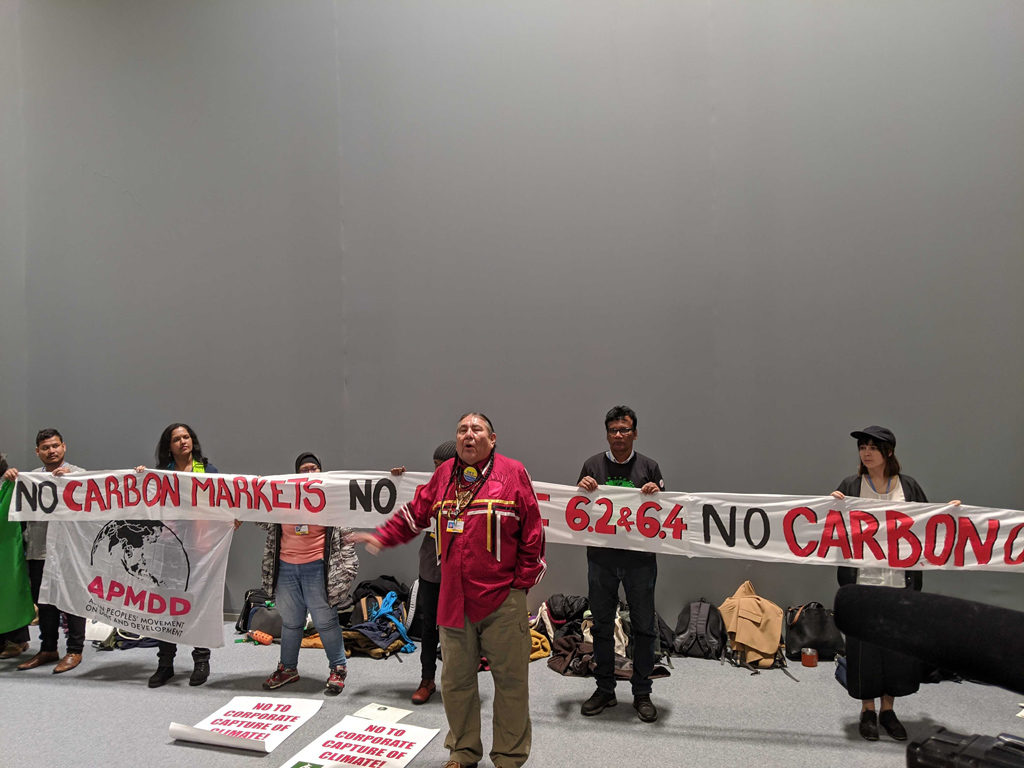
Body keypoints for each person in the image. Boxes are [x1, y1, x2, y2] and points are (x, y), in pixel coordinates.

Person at [353, 413, 546, 768]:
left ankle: (508, 758)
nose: (468, 435)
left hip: (502, 598)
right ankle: (463, 751)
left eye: (476, 430)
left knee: (511, 683)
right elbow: (415, 514)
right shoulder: (443, 476)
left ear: (492, 438)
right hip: (454, 599)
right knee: (455, 682)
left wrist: (521, 584)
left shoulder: (513, 472)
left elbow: (533, 531)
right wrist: (382, 535)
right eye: (462, 430)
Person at [831, 425, 959, 742]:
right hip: (862, 582)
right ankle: (867, 711)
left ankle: (888, 711)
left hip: (900, 582)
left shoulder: (908, 487)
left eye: (873, 446)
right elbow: (829, 527)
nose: (866, 451)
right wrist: (832, 506)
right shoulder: (850, 486)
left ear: (889, 452)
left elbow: (930, 523)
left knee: (896, 648)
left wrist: (952, 513)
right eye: (862, 446)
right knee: (863, 648)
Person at [577, 405, 665, 723]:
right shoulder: (591, 465)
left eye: (624, 430)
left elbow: (666, 515)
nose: (618, 436)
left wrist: (658, 494)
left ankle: (642, 692)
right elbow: (576, 512)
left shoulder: (649, 467)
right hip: (601, 559)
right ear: (607, 434)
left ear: (635, 433)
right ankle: (605, 689)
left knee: (643, 627)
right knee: (601, 627)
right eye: (613, 430)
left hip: (640, 561)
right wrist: (581, 489)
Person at [259, 451, 359, 695]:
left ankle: (338, 669)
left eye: (314, 468)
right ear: (296, 474)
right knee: (292, 623)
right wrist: (256, 491)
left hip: (319, 568)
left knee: (326, 621)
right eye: (304, 469)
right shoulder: (283, 497)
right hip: (286, 569)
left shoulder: (331, 498)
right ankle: (288, 669)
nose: (309, 472)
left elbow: (346, 535)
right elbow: (259, 518)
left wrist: (348, 568)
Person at [136, 422, 221, 688]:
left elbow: (222, 502)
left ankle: (201, 660)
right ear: (168, 446)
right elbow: (146, 501)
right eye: (176, 439)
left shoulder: (208, 471)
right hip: (169, 547)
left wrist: (231, 519)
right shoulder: (160, 474)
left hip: (200, 548)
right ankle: (165, 664)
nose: (183, 442)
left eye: (186, 437)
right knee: (167, 607)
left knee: (198, 604)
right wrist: (141, 477)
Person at [1, 429, 88, 673]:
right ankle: (48, 648)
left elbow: (91, 505)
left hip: (69, 551)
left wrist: (71, 480)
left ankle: (74, 650)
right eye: (45, 448)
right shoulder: (30, 479)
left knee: (72, 601)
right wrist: (9, 478)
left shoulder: (78, 474)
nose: (51, 451)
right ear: (37, 452)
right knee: (45, 602)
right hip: (38, 550)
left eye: (55, 446)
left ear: (64, 447)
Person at [391, 440, 459, 705]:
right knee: (429, 626)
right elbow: (402, 504)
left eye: (443, 466)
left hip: (461, 571)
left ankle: (458, 683)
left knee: (460, 629)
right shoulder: (428, 489)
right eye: (434, 467)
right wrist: (397, 481)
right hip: (432, 568)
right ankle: (427, 679)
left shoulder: (474, 490)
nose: (437, 472)